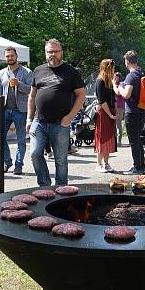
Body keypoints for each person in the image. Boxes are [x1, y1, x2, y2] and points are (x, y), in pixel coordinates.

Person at [26, 39, 85, 186]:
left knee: (60, 160)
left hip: (60, 123)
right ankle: (45, 185)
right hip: (39, 121)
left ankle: (61, 190)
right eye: (49, 52)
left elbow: (81, 96)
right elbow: (32, 96)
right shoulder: (38, 70)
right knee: (35, 154)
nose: (52, 54)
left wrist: (69, 118)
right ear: (45, 53)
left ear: (61, 52)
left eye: (55, 51)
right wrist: (29, 119)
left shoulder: (71, 72)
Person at [0, 46, 32, 175]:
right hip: (5, 110)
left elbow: (32, 91)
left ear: (16, 56)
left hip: (20, 110)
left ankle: (18, 165)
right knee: (0, 137)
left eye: (12, 55)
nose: (10, 58)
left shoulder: (26, 72)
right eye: (7, 56)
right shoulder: (1, 73)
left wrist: (18, 84)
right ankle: (7, 161)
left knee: (21, 140)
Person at [114, 50, 145, 174]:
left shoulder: (131, 76)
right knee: (138, 140)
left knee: (134, 141)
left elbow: (126, 95)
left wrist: (119, 88)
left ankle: (137, 167)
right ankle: (142, 166)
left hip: (132, 112)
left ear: (127, 62)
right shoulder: (142, 73)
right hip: (142, 110)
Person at [94, 59, 117, 172]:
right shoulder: (100, 81)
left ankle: (106, 163)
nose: (113, 70)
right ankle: (98, 164)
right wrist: (111, 115)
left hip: (110, 112)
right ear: (107, 68)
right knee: (102, 138)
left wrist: (115, 112)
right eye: (112, 67)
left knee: (108, 139)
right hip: (104, 113)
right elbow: (102, 101)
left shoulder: (109, 82)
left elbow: (113, 98)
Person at [113, 72, 126, 145]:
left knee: (118, 123)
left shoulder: (122, 84)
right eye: (114, 76)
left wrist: (114, 84)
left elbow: (117, 92)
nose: (115, 78)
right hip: (112, 106)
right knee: (112, 123)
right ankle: (113, 139)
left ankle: (119, 140)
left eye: (116, 77)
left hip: (119, 106)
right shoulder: (112, 85)